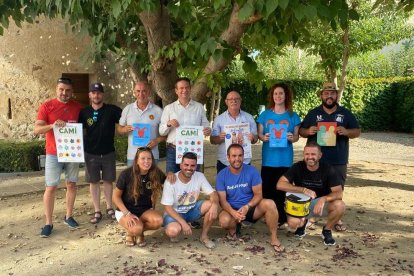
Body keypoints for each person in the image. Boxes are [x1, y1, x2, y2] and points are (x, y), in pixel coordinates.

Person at [299, 82, 360, 231]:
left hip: (338, 159)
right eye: (326, 93)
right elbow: (301, 130)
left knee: (338, 189)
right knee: (313, 187)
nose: (329, 96)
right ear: (321, 95)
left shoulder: (345, 113)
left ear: (336, 95)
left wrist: (346, 132)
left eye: (332, 93)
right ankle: (312, 216)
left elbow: (357, 131)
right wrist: (308, 131)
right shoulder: (313, 113)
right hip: (316, 159)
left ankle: (336, 218)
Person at [34, 77, 83, 238]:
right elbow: (37, 129)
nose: (64, 93)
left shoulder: (78, 107)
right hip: (53, 153)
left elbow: (84, 129)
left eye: (68, 90)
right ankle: (48, 223)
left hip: (72, 152)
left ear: (72, 91)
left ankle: (68, 216)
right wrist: (52, 125)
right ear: (57, 89)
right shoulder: (47, 106)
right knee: (51, 187)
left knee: (71, 184)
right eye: (61, 89)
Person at [216, 144, 284, 253]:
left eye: (240, 155)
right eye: (234, 156)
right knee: (224, 221)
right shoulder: (221, 175)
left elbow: (258, 195)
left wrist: (247, 206)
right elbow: (223, 201)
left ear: (243, 156)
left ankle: (274, 238)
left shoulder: (252, 171)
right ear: (228, 157)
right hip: (231, 209)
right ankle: (233, 230)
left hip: (251, 207)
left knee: (270, 204)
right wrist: (233, 213)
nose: (237, 159)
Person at [276, 142, 345, 246]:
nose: (310, 157)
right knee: (292, 224)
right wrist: (302, 189)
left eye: (313, 154)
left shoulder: (328, 169)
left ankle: (326, 230)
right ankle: (303, 224)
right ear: (303, 154)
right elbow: (280, 184)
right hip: (301, 204)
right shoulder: (297, 167)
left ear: (320, 155)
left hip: (320, 204)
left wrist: (323, 199)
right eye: (307, 154)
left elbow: (339, 193)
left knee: (340, 205)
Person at [256, 83, 301, 227]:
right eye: (275, 94)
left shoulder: (293, 116)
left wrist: (290, 138)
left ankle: (281, 218)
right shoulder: (265, 115)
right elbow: (260, 135)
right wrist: (265, 138)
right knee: (268, 189)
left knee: (283, 190)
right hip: (269, 159)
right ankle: (268, 216)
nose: (278, 96)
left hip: (285, 159)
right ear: (272, 96)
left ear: (286, 95)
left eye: (281, 93)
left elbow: (296, 137)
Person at [78, 83, 122, 224]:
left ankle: (109, 208)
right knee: (94, 182)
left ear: (103, 94)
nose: (96, 95)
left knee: (108, 181)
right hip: (91, 154)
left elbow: (127, 118)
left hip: (108, 152)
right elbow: (77, 130)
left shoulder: (112, 110)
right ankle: (97, 210)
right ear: (89, 95)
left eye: (99, 93)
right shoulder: (84, 112)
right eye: (93, 93)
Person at [161, 152, 219, 249]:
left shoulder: (199, 176)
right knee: (173, 231)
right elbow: (167, 207)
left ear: (196, 166)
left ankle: (204, 236)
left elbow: (213, 194)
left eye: (192, 165)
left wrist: (215, 205)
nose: (189, 168)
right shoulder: (171, 180)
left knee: (211, 204)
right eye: (186, 165)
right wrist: (183, 223)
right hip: (174, 213)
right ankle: (176, 226)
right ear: (180, 165)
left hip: (191, 210)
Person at [113, 147, 166, 246]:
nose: (146, 161)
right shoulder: (126, 174)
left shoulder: (155, 172)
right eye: (143, 158)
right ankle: (133, 232)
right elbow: (115, 197)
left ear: (152, 160)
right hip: (125, 210)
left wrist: (171, 174)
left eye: (149, 158)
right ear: (137, 161)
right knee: (136, 228)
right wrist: (127, 214)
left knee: (158, 221)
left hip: (144, 210)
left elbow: (168, 182)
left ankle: (138, 231)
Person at [159, 77, 211, 173]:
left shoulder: (199, 107)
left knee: (194, 180)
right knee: (172, 180)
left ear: (190, 89)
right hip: (173, 150)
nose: (184, 90)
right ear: (176, 91)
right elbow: (161, 131)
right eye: (181, 88)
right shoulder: (169, 108)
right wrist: (168, 124)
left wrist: (208, 130)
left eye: (187, 87)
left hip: (194, 149)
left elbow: (206, 127)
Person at [117, 81, 165, 166]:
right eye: (138, 91)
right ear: (134, 92)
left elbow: (166, 132)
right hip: (133, 156)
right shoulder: (128, 109)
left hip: (152, 156)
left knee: (152, 179)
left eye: (144, 91)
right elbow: (119, 129)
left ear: (149, 92)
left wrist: (157, 140)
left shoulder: (158, 111)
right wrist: (124, 129)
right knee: (133, 179)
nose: (141, 94)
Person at [210, 90, 258, 173]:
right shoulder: (219, 119)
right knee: (224, 186)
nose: (234, 101)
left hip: (244, 161)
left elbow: (256, 138)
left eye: (237, 99)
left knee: (245, 186)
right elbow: (212, 140)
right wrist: (219, 138)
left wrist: (253, 138)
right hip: (225, 162)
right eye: (231, 99)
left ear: (240, 101)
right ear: (226, 102)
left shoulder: (249, 118)